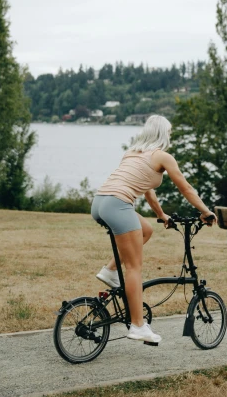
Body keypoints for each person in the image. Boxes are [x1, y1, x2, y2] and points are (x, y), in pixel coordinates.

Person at [91, 114, 216, 344]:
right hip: (118, 204)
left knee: (146, 229)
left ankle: (109, 270)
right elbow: (186, 188)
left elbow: (147, 188)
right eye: (169, 133)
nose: (170, 137)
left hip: (100, 203)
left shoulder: (132, 153)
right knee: (134, 268)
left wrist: (161, 215)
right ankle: (138, 326)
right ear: (163, 134)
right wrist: (205, 211)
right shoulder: (163, 157)